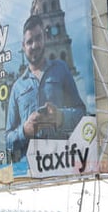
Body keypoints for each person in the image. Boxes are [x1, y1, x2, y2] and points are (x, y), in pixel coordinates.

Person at [5, 14, 86, 163]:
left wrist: (61, 117)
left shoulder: (61, 70)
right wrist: (25, 131)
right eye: (29, 41)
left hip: (61, 163)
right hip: (29, 171)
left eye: (38, 38)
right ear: (23, 47)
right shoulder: (17, 87)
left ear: (45, 39)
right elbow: (8, 139)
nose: (34, 45)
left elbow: (81, 113)